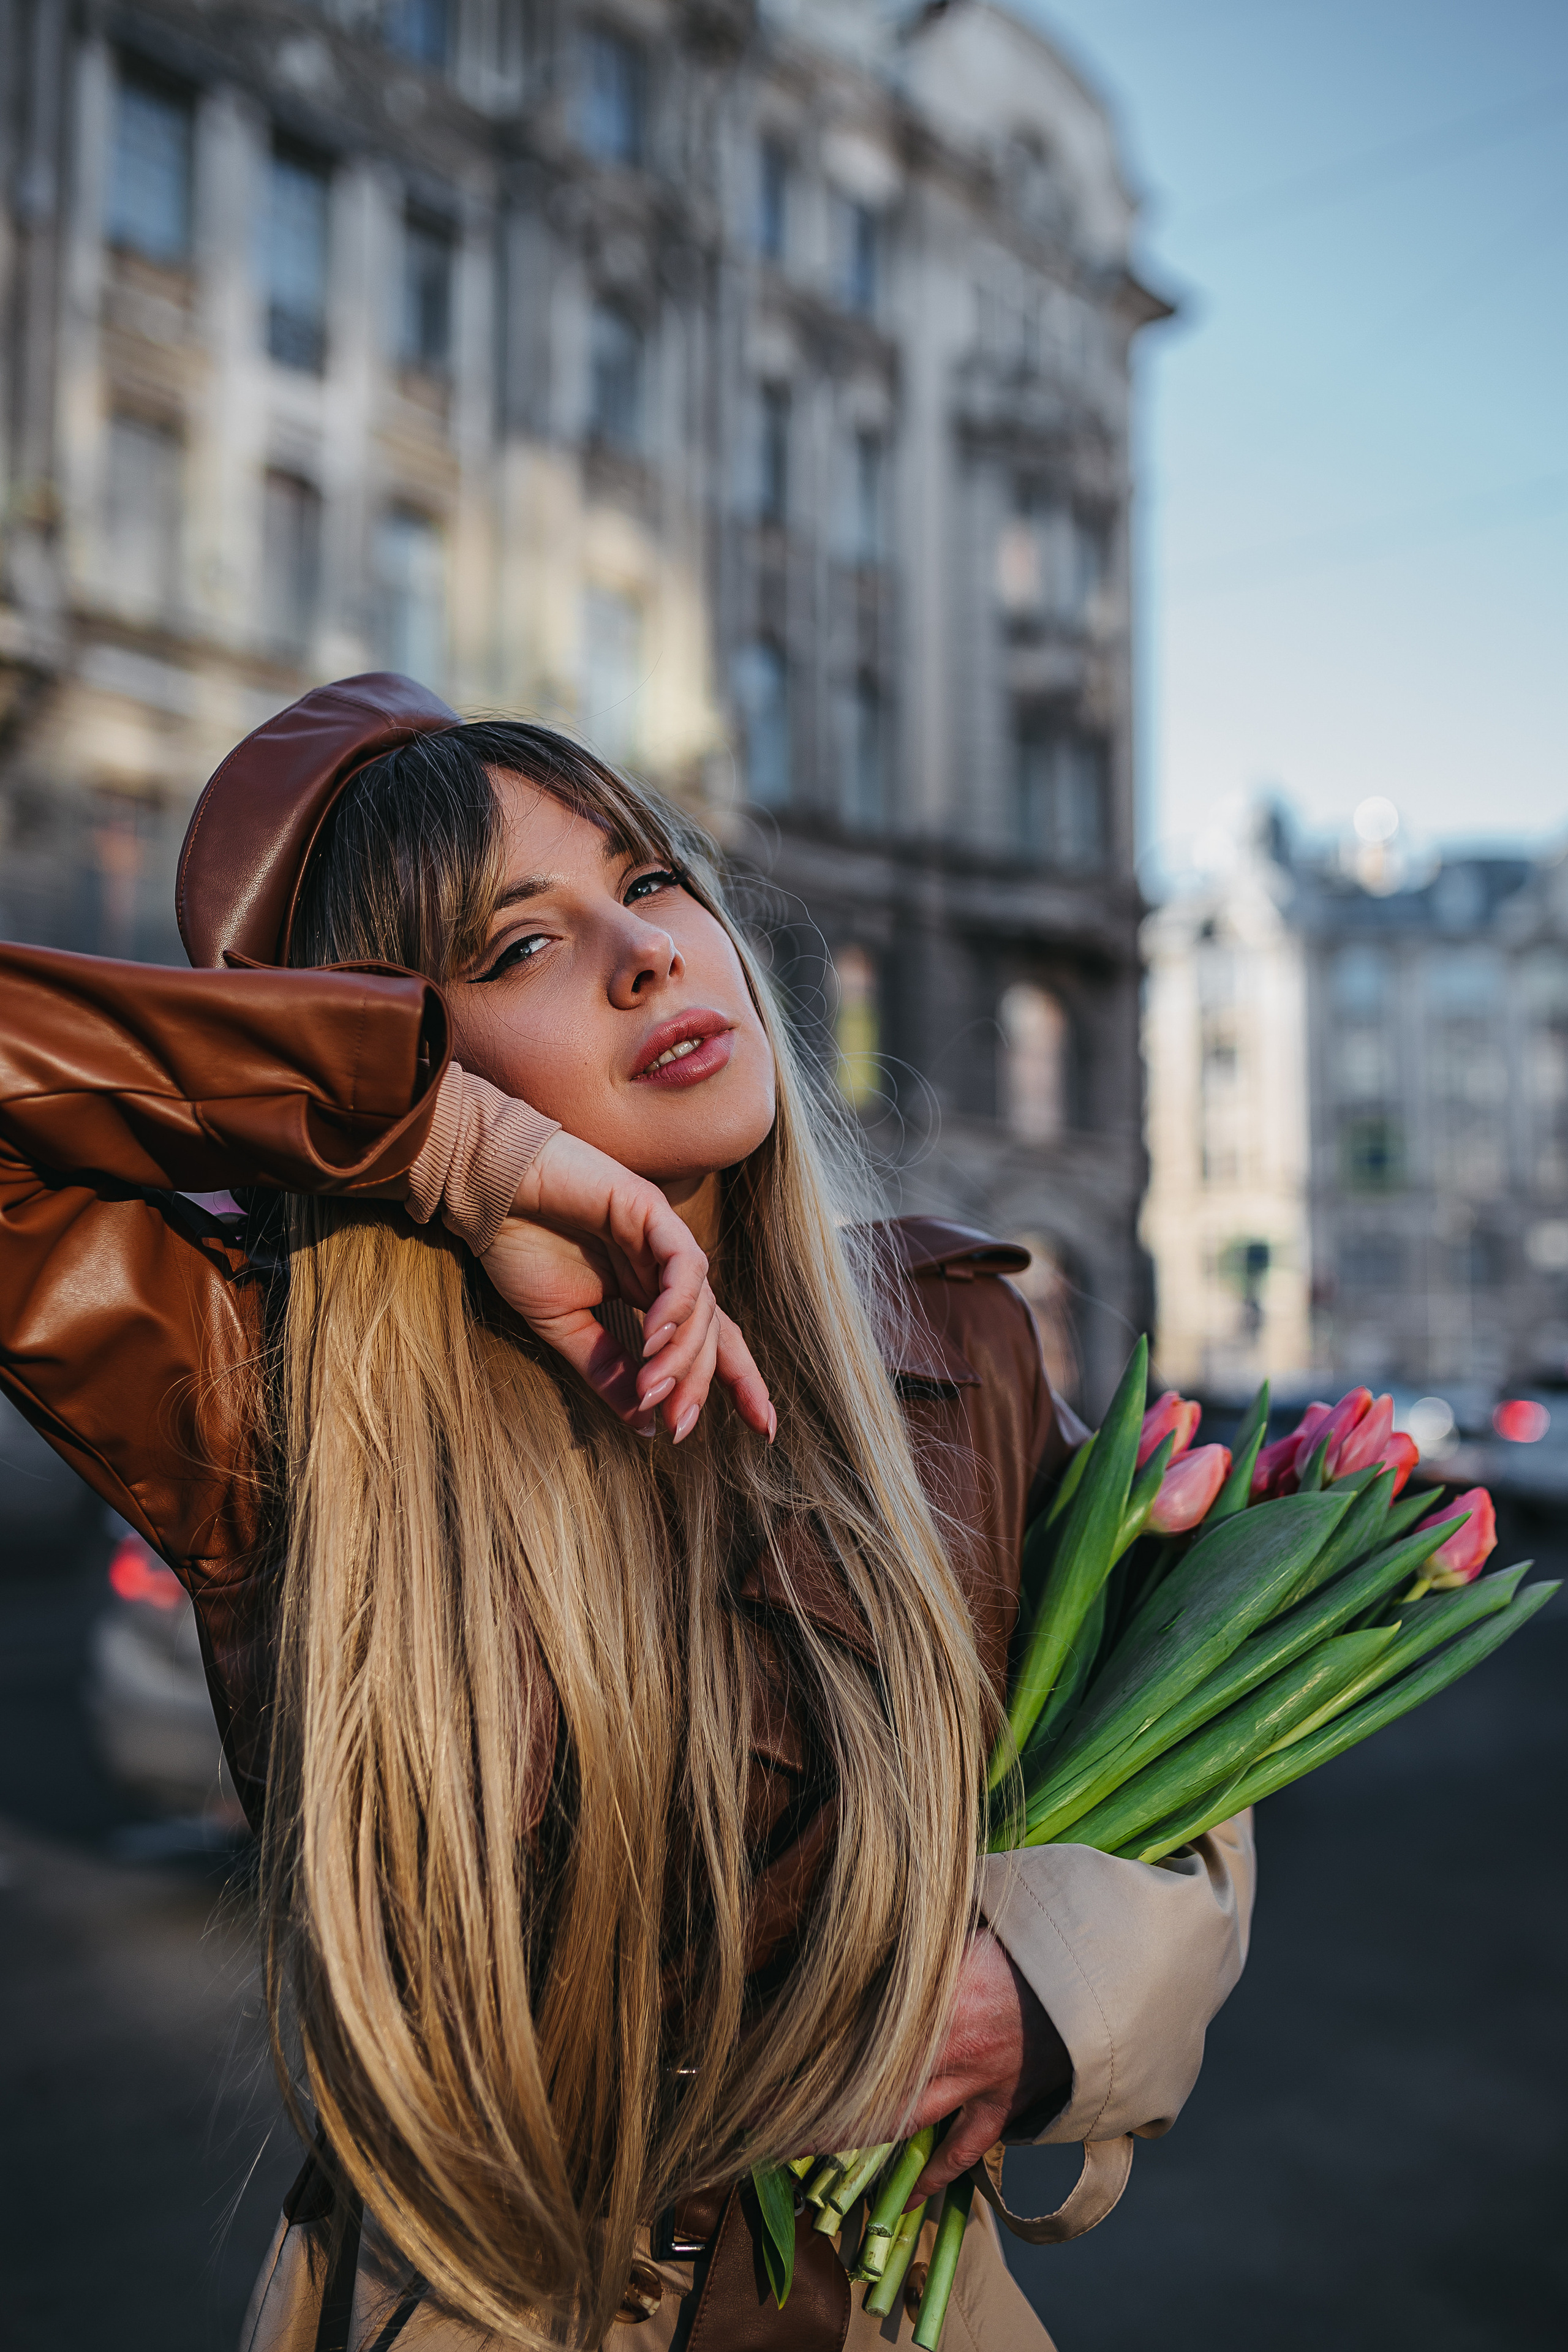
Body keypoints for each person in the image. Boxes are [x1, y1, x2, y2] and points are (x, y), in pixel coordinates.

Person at [0, 676, 1254, 2352]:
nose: (647, 952)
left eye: (648, 879)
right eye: (517, 946)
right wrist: (442, 1143)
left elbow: (1183, 1750)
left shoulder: (952, 1343)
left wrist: (1060, 1992)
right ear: (383, 1039)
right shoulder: (269, 1404)